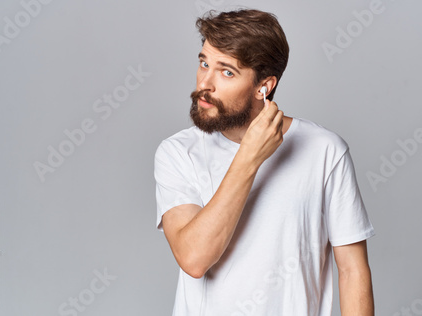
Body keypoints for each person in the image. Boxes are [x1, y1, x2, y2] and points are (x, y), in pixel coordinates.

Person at [154, 9, 375, 316]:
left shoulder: (325, 151)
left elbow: (352, 271)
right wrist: (249, 157)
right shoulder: (177, 152)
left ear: (264, 87)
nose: (205, 83)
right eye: (204, 62)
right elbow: (194, 258)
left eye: (226, 72)